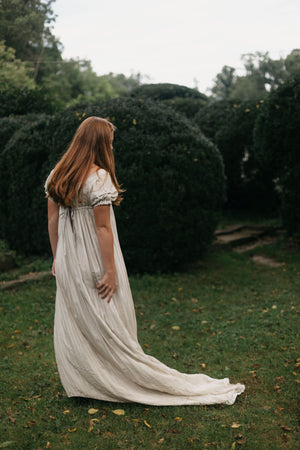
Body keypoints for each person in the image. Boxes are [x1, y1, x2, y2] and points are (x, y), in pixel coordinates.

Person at [45, 116, 245, 406]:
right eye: (110, 142)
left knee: (82, 321)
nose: (112, 147)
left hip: (67, 258)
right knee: (110, 323)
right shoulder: (97, 177)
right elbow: (101, 229)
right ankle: (116, 379)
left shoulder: (57, 174)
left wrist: (57, 257)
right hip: (94, 260)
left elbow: (52, 219)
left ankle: (92, 381)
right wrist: (110, 271)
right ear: (100, 144)